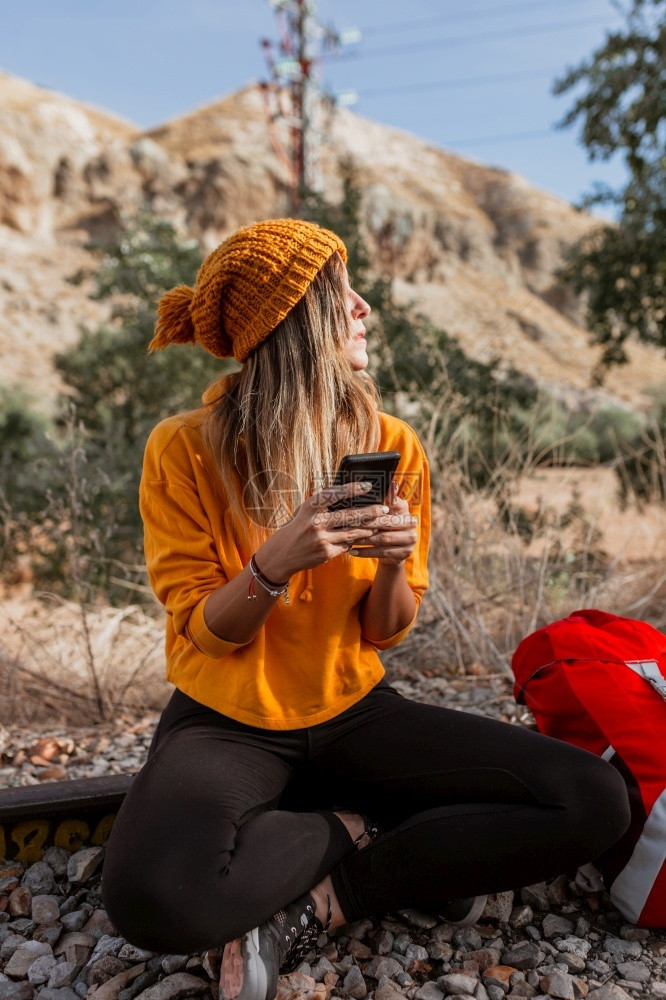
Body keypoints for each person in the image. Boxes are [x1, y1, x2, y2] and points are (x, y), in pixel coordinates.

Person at [101, 218, 631, 1000]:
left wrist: (389, 565)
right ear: (293, 318)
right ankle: (348, 827)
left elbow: (385, 629)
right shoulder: (182, 449)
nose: (364, 308)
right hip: (226, 717)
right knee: (150, 899)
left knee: (592, 799)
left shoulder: (392, 444)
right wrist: (275, 562)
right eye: (341, 293)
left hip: (353, 709)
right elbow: (206, 634)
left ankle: (336, 896)